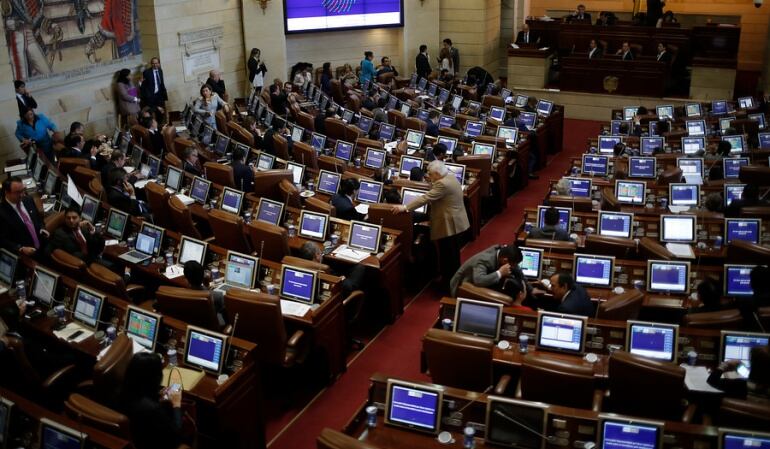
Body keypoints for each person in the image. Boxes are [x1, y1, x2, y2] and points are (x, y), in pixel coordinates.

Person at [394, 160, 469, 291]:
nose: (428, 176)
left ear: (437, 173)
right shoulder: (449, 176)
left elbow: (425, 198)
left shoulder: (442, 184)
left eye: (430, 174)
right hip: (456, 220)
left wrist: (405, 207)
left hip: (449, 224)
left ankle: (449, 286)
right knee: (453, 256)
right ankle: (453, 281)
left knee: (449, 257)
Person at [119, 353, 183, 449]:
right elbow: (176, 433)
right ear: (155, 377)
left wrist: (157, 396)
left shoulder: (121, 391)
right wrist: (176, 404)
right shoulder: (153, 409)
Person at [449, 244, 521, 297]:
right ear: (505, 260)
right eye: (513, 265)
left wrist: (530, 290)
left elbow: (517, 269)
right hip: (462, 286)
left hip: (479, 278)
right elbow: (479, 281)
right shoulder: (484, 260)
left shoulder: (502, 252)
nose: (514, 267)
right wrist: (500, 273)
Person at [0, 176, 47, 256]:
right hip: (24, 255)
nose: (22, 195)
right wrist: (20, 248)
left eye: (23, 190)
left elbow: (38, 218)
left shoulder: (28, 200)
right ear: (7, 192)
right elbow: (2, 240)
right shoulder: (2, 213)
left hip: (42, 246)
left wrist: (42, 228)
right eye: (17, 192)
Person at [298, 242, 365, 298]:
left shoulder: (298, 265)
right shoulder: (323, 270)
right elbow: (345, 287)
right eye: (320, 252)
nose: (322, 254)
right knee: (360, 267)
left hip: (313, 294)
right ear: (317, 255)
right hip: (335, 295)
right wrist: (342, 279)